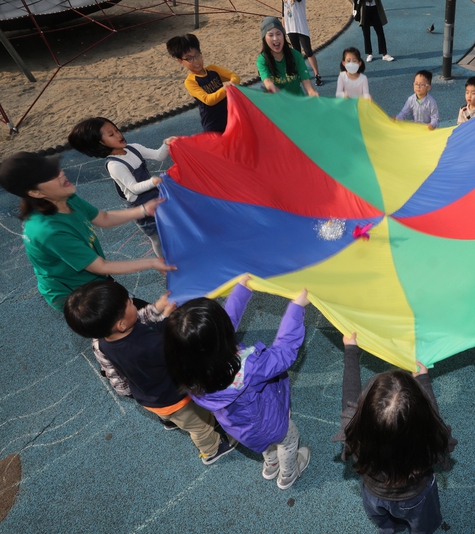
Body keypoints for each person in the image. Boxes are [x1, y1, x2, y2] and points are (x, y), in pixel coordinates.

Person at [63, 281, 238, 465]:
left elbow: (115, 369)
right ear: (121, 324)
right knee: (200, 425)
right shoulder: (152, 346)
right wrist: (171, 320)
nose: (133, 302)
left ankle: (168, 420)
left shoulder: (100, 342)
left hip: (146, 395)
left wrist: (158, 308)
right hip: (173, 398)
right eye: (129, 303)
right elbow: (176, 352)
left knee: (167, 412)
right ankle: (212, 449)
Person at [164, 278, 311, 489]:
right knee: (288, 440)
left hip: (241, 426)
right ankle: (288, 473)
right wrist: (296, 310)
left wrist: (240, 292)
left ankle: (271, 465)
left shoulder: (190, 371)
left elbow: (219, 329)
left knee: (265, 445)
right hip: (269, 420)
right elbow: (283, 353)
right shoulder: (248, 369)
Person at [0, 152, 174, 311]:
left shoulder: (66, 197)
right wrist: (152, 262)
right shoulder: (48, 231)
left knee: (136, 312)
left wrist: (144, 209)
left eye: (55, 169)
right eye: (50, 175)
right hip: (76, 293)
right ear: (35, 193)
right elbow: (101, 266)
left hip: (94, 276)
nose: (60, 173)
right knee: (124, 322)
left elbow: (104, 218)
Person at [333, 332, 456, 534]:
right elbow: (433, 413)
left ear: (362, 410)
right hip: (415, 496)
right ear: (421, 416)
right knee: (422, 523)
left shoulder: (353, 433)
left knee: (382, 519)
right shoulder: (430, 439)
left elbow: (350, 394)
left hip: (374, 494)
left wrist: (351, 351)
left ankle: (389, 529)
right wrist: (423, 380)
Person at [68, 117, 176, 259]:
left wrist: (166, 144)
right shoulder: (115, 165)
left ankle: (178, 253)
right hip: (140, 204)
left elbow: (158, 156)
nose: (119, 135)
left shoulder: (133, 148)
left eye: (117, 130)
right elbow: (134, 188)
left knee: (171, 226)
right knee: (156, 237)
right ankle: (165, 264)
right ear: (100, 143)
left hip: (154, 195)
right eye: (111, 134)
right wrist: (153, 182)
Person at [166, 33, 240, 133]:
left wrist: (232, 82)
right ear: (180, 61)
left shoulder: (213, 69)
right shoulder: (191, 82)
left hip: (230, 117)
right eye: (189, 58)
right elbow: (208, 100)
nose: (196, 61)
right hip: (213, 125)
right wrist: (226, 89)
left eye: (197, 55)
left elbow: (234, 76)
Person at [257, 17, 319, 97]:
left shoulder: (296, 55)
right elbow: (267, 81)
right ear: (264, 38)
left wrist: (312, 92)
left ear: (283, 35)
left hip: (297, 100)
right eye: (271, 35)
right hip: (278, 102)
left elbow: (305, 80)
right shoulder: (262, 60)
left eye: (278, 34)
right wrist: (272, 87)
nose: (275, 38)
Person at [283, 0, 323, 86]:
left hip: (301, 27)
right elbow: (283, 10)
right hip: (290, 27)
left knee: (308, 51)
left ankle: (317, 74)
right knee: (297, 52)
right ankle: (301, 74)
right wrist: (283, 24)